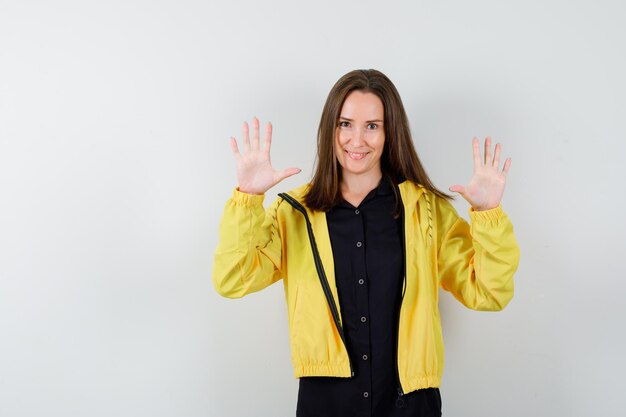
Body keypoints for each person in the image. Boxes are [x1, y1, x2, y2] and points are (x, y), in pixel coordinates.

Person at [213, 69, 520, 417]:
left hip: (410, 405)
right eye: (345, 123)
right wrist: (248, 199)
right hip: (326, 404)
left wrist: (488, 214)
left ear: (391, 133)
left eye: (372, 125)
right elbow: (233, 279)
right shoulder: (294, 213)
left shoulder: (426, 211)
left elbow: (489, 292)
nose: (356, 140)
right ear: (330, 129)